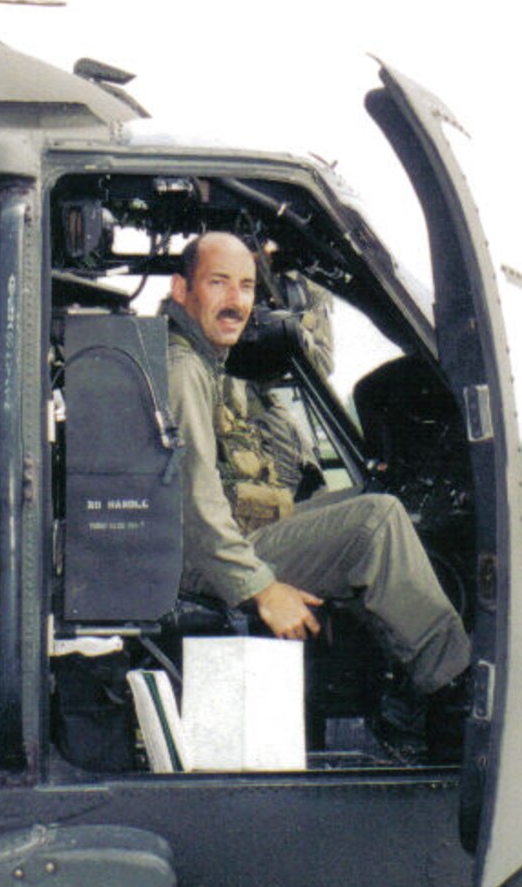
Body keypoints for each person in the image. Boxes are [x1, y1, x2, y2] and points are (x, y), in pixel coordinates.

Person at [163, 232, 471, 761]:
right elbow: (195, 504)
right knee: (375, 522)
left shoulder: (198, 357)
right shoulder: (183, 368)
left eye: (245, 286)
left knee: (365, 498)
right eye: (218, 284)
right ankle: (457, 697)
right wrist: (261, 588)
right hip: (194, 560)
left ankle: (405, 688)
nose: (237, 301)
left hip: (202, 546)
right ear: (180, 289)